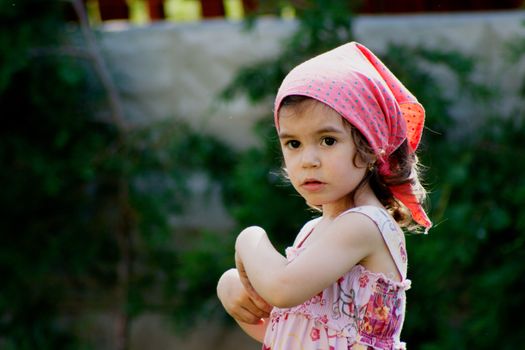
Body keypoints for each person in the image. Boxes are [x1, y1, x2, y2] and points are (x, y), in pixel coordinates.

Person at [217, 41, 432, 350]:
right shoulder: (312, 232)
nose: (308, 160)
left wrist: (248, 239)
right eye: (293, 144)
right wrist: (231, 288)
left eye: (328, 140)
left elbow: (282, 288)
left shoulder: (365, 225)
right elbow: (289, 333)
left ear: (370, 146)